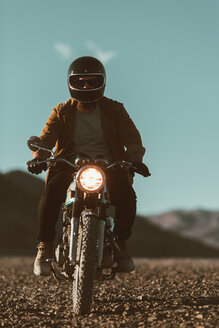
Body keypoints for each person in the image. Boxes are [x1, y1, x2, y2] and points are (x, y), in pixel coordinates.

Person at [27, 56, 150, 276]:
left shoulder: (115, 110)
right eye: (81, 81)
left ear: (101, 82)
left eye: (92, 81)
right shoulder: (61, 111)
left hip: (109, 163)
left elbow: (132, 139)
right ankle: (44, 246)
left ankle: (121, 243)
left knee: (127, 196)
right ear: (70, 83)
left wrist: (136, 161)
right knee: (51, 193)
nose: (86, 86)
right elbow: (46, 139)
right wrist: (38, 156)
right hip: (69, 162)